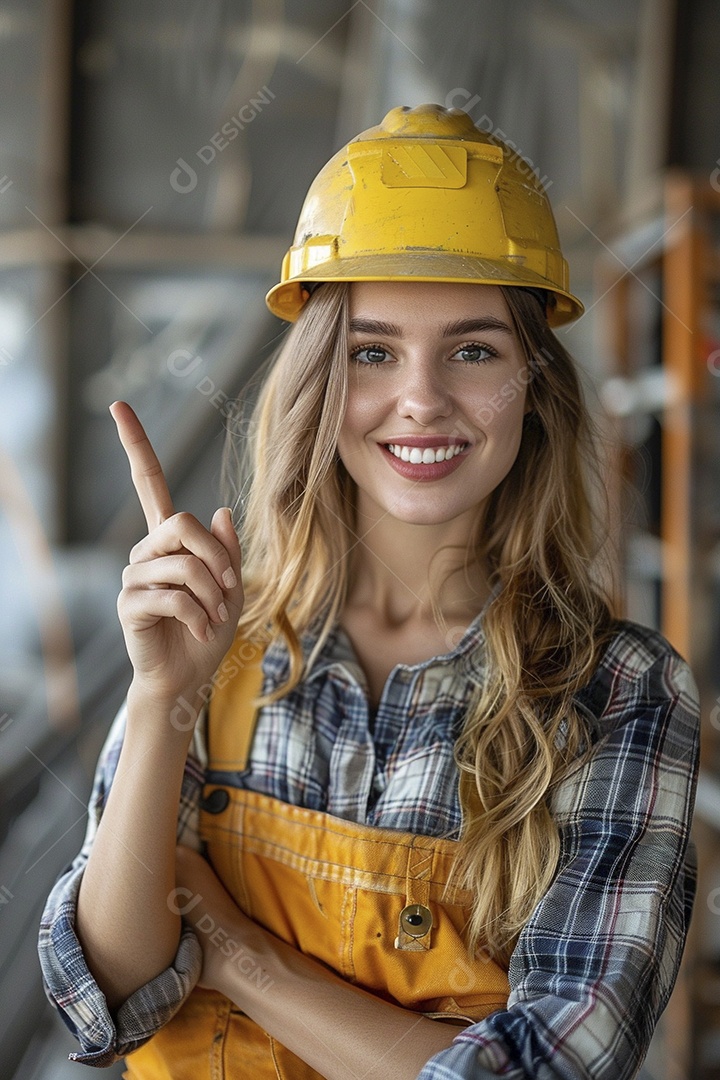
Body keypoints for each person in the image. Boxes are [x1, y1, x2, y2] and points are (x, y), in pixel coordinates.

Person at [39, 104, 700, 1080]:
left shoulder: (620, 692)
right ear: (318, 379)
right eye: (372, 351)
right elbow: (104, 994)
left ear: (535, 386)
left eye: (473, 350)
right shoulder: (216, 632)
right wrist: (160, 696)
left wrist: (236, 952)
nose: (421, 399)